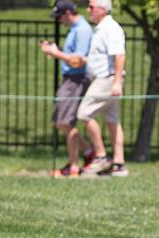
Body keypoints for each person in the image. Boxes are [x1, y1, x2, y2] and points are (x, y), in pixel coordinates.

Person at [41, 0, 94, 178]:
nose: (58, 21)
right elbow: (73, 56)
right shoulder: (75, 30)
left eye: (59, 17)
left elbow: (78, 60)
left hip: (76, 80)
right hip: (70, 79)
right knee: (60, 121)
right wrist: (58, 51)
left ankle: (73, 167)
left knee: (65, 122)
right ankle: (87, 152)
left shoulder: (83, 30)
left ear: (68, 14)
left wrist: (55, 53)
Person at [77, 0, 128, 177]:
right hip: (105, 78)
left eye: (91, 7)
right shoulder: (101, 29)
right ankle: (118, 164)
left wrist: (116, 82)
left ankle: (100, 156)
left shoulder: (110, 28)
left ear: (102, 9)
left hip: (107, 80)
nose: (88, 10)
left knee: (84, 113)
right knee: (112, 120)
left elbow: (119, 55)